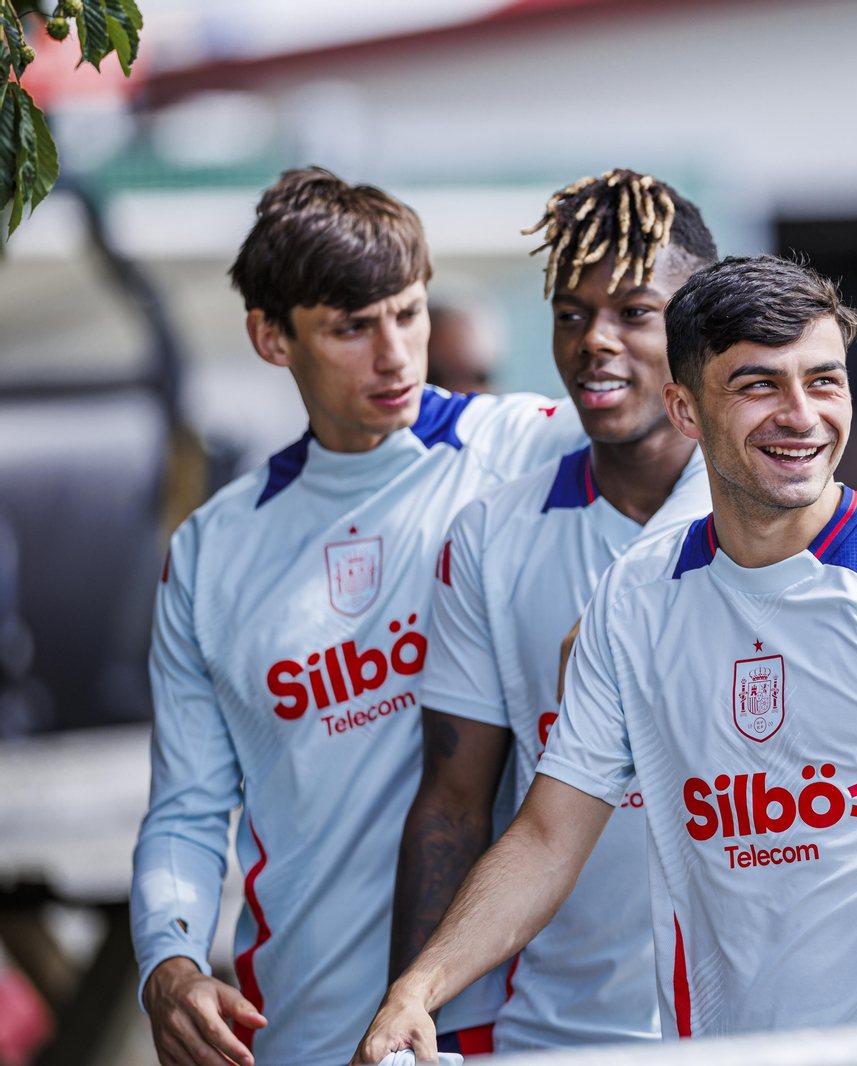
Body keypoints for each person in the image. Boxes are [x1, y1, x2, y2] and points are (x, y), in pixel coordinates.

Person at [353, 255, 857, 1059]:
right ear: (686, 410)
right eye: (759, 385)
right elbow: (549, 837)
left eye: (824, 381)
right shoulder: (632, 600)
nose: (801, 415)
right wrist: (421, 985)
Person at [132, 168, 587, 1066]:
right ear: (271, 336)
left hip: (532, 1030)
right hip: (310, 1033)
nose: (396, 356)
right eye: (352, 328)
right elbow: (186, 810)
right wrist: (170, 961)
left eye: (409, 313)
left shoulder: (531, 450)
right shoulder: (212, 551)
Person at [392, 169, 717, 1050]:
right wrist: (418, 1016)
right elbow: (454, 803)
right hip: (557, 1034)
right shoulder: (494, 535)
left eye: (634, 312)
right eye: (571, 314)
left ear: (699, 325)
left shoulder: (783, 523)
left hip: (757, 1032)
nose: (594, 342)